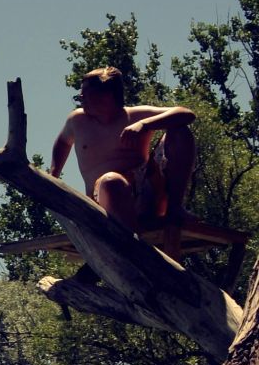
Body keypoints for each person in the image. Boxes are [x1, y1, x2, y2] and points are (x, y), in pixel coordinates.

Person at [49, 66, 196, 257]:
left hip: (146, 197)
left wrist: (145, 125)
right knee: (112, 181)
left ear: (107, 95)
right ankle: (132, 250)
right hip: (106, 201)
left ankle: (175, 208)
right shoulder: (77, 120)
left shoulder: (135, 115)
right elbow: (62, 142)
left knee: (180, 130)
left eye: (85, 94)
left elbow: (186, 114)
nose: (80, 99)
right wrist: (53, 176)